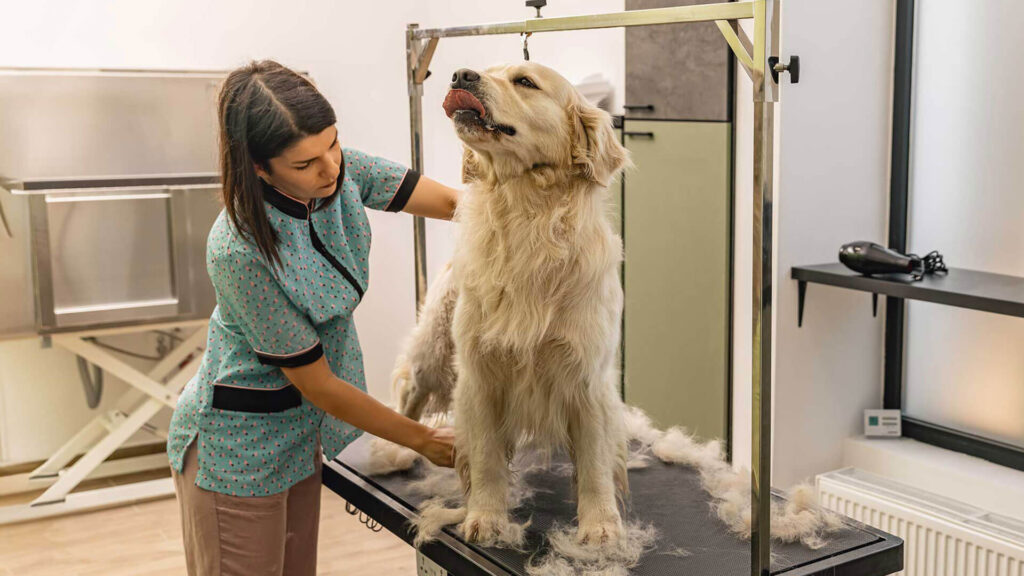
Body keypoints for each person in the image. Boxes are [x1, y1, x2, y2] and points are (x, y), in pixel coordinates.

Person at [167, 60, 458, 576]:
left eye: (334, 143)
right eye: (305, 164)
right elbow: (319, 383)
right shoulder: (239, 249)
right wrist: (422, 439)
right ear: (259, 167)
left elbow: (456, 203)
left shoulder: (340, 172)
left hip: (301, 436)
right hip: (238, 445)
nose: (330, 169)